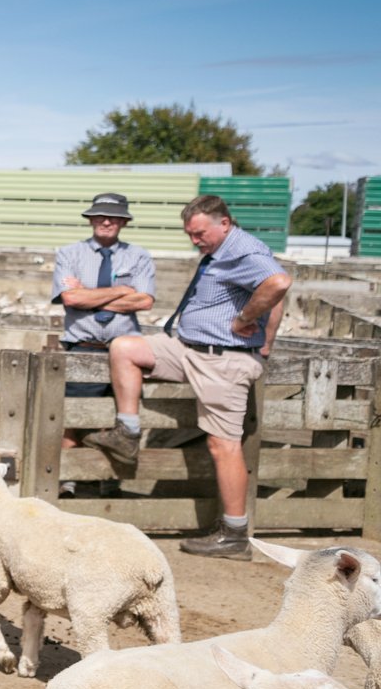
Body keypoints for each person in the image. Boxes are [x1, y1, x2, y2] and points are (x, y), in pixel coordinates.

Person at [83, 195, 291, 559]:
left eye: (199, 233)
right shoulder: (224, 251)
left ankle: (234, 535)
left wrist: (245, 321)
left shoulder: (242, 250)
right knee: (125, 348)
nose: (195, 241)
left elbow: (277, 284)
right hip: (191, 349)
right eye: (190, 235)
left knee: (222, 446)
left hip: (221, 361)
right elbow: (274, 294)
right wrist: (267, 340)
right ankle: (127, 431)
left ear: (223, 223)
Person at [54, 193, 156, 457]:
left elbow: (145, 301)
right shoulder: (69, 254)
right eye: (100, 216)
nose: (106, 222)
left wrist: (88, 296)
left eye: (114, 217)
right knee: (73, 419)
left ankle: (109, 487)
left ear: (124, 222)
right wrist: (122, 290)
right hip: (83, 347)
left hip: (127, 354)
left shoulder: (139, 256)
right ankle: (71, 481)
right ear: (91, 219)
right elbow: (70, 297)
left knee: (118, 420)